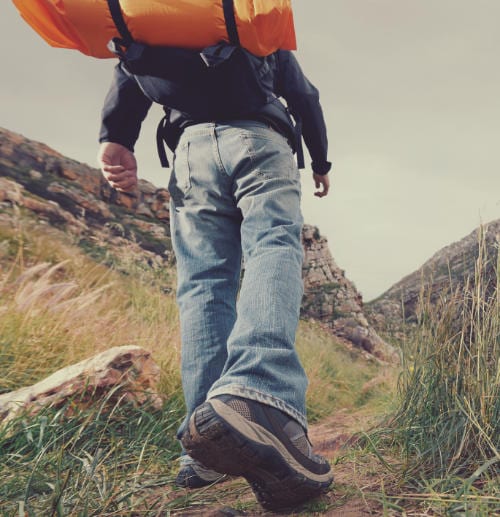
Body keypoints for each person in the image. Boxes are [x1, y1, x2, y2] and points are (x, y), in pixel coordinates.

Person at [98, 47, 333, 511]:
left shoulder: (158, 23)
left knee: (203, 284)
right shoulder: (247, 21)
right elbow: (304, 94)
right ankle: (257, 393)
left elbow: (129, 72)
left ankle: (202, 448)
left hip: (190, 153)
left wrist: (116, 137)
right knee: (272, 247)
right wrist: (320, 160)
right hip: (259, 138)